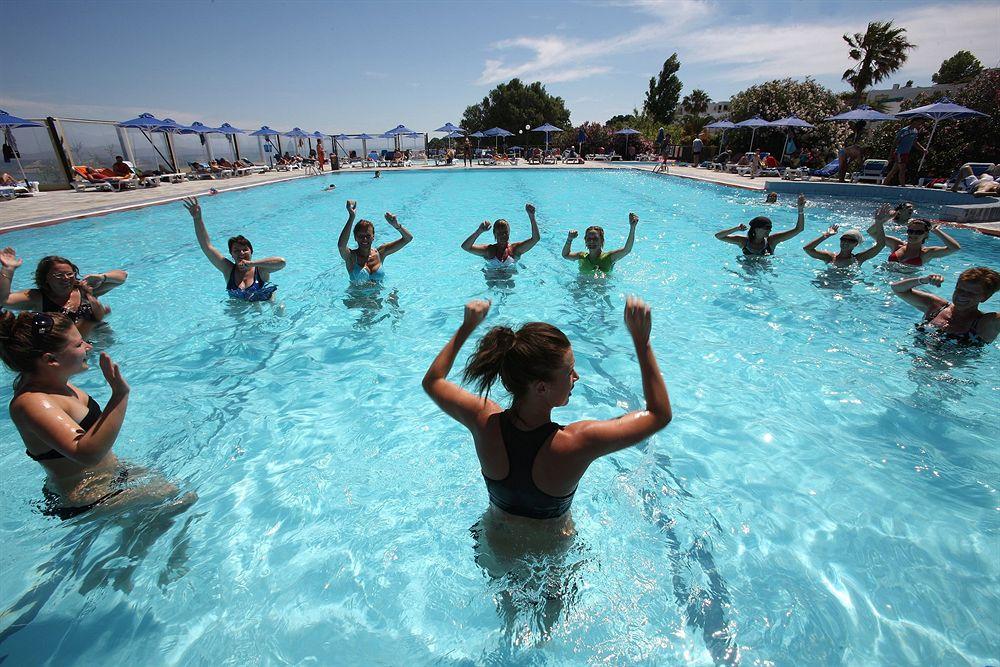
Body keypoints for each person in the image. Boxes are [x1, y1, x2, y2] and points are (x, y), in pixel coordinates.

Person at [421, 296, 671, 523]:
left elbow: (433, 382)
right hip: (549, 563)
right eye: (568, 371)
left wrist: (466, 327)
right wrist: (642, 342)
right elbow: (659, 415)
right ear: (541, 388)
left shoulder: (483, 421)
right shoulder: (576, 443)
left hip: (491, 547)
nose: (576, 376)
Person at [0, 310, 132, 518]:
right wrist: (120, 396)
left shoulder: (60, 385)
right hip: (88, 499)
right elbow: (86, 454)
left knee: (178, 499)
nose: (89, 347)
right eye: (79, 345)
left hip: (110, 479)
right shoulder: (33, 403)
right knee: (176, 503)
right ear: (51, 359)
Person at [0, 249, 126, 338]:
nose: (66, 278)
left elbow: (122, 276)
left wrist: (102, 277)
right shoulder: (37, 298)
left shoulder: (84, 289)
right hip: (71, 352)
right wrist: (8, 269)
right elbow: (4, 300)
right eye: (59, 275)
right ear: (46, 278)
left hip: (103, 339)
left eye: (69, 274)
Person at [182, 197, 285, 301]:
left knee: (279, 306)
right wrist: (197, 219)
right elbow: (206, 246)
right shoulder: (228, 269)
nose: (241, 253)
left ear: (251, 251)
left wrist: (252, 264)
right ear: (231, 254)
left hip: (264, 307)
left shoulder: (261, 269)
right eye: (236, 251)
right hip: (239, 311)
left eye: (245, 249)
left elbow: (281, 262)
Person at [891, 267, 1000, 344]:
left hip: (954, 374)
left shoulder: (987, 322)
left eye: (971, 293)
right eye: (960, 289)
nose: (962, 295)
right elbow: (897, 289)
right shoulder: (937, 306)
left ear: (985, 298)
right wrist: (924, 280)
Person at [337, 199, 413, 285]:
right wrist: (351, 217)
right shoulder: (351, 257)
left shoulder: (381, 253)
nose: (365, 239)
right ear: (355, 237)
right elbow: (341, 246)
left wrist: (396, 225)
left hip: (378, 298)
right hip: (356, 298)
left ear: (373, 237)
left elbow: (408, 238)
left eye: (368, 236)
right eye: (361, 236)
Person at [714, 194, 807, 256]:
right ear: (756, 229)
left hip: (766, 272)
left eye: (770, 228)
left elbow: (799, 229)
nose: (770, 230)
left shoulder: (772, 241)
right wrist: (736, 228)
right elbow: (718, 236)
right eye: (767, 228)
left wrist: (800, 210)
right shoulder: (743, 241)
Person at [803, 204, 891, 267]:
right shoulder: (830, 257)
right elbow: (807, 249)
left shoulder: (859, 259)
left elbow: (880, 245)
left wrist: (879, 223)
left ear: (856, 244)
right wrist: (826, 235)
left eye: (850, 240)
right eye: (843, 239)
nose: (845, 242)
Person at [461, 203, 541, 269]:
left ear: (509, 233)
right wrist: (479, 231)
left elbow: (535, 239)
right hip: (492, 285)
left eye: (505, 232)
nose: (503, 235)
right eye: (499, 233)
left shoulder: (515, 249)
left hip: (510, 286)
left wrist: (532, 216)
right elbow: (465, 247)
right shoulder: (488, 250)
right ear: (494, 234)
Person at [562, 212, 639, 273]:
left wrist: (632, 227)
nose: (591, 241)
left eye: (595, 239)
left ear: (601, 240)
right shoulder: (581, 256)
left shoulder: (609, 258)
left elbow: (627, 250)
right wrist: (569, 239)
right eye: (589, 239)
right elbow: (565, 255)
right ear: (585, 240)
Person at [884, 217, 961, 268]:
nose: (913, 234)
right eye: (910, 231)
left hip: (906, 283)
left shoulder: (926, 253)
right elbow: (874, 233)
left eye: (918, 232)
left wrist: (937, 231)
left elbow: (955, 248)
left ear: (926, 234)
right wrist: (880, 220)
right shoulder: (897, 245)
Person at [882, 118, 926, 186]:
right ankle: (903, 186)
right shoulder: (904, 130)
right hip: (900, 152)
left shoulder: (915, 131)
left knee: (894, 170)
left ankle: (884, 184)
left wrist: (923, 149)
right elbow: (895, 142)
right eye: (919, 122)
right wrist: (891, 154)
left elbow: (914, 142)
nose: (920, 124)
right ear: (914, 121)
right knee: (902, 169)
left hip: (906, 153)